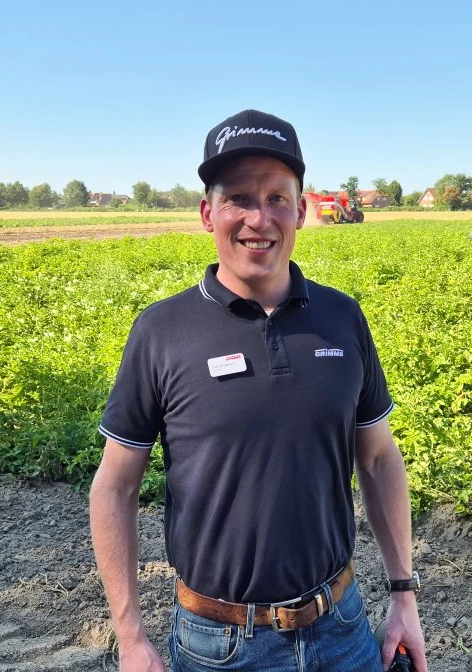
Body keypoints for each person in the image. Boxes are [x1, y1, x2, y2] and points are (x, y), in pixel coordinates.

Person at [89, 109, 427, 672]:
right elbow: (115, 487)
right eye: (239, 198)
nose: (258, 217)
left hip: (342, 627)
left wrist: (403, 597)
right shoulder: (163, 330)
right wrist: (130, 637)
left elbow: (379, 458)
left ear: (300, 210)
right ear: (207, 213)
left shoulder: (342, 319)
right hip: (218, 645)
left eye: (276, 197)